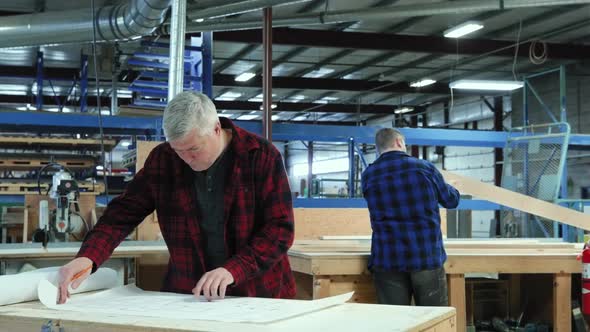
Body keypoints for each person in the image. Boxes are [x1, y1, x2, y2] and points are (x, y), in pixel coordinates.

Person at [57, 91, 295, 303]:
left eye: (193, 149)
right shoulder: (164, 160)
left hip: (257, 294)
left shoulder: (261, 157)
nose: (185, 159)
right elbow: (122, 214)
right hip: (189, 294)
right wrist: (88, 257)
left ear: (216, 129)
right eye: (177, 150)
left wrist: (233, 269)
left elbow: (280, 230)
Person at [361, 128, 459, 306]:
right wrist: (450, 186)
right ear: (399, 142)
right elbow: (451, 201)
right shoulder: (424, 168)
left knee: (396, 322)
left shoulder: (369, 175)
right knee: (433, 320)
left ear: (378, 148)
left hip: (387, 259)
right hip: (425, 257)